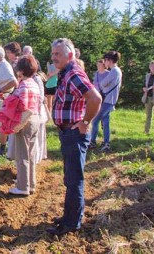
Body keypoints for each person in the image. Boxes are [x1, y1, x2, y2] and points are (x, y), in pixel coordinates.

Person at [47, 38, 101, 236]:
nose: (54, 58)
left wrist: (85, 122)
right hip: (67, 132)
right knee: (70, 179)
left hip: (74, 133)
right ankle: (70, 216)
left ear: (70, 55)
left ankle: (72, 223)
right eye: (53, 54)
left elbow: (95, 98)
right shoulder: (66, 73)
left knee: (74, 179)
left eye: (57, 54)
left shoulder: (74, 74)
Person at [8, 55, 41, 196]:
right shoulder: (34, 83)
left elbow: (24, 107)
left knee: (22, 155)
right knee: (31, 154)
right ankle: (31, 184)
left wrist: (18, 125)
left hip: (25, 121)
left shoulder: (24, 85)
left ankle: (22, 187)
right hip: (36, 120)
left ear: (21, 70)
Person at [90, 51, 122, 152]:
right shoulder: (116, 70)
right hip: (109, 99)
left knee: (95, 120)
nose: (105, 63)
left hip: (108, 100)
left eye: (106, 60)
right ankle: (106, 143)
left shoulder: (114, 71)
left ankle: (93, 142)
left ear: (110, 60)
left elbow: (104, 83)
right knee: (105, 122)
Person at [0, 45, 18, 158]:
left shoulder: (5, 66)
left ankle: (2, 149)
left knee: (1, 125)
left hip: (1, 97)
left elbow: (14, 82)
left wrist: (0, 91)